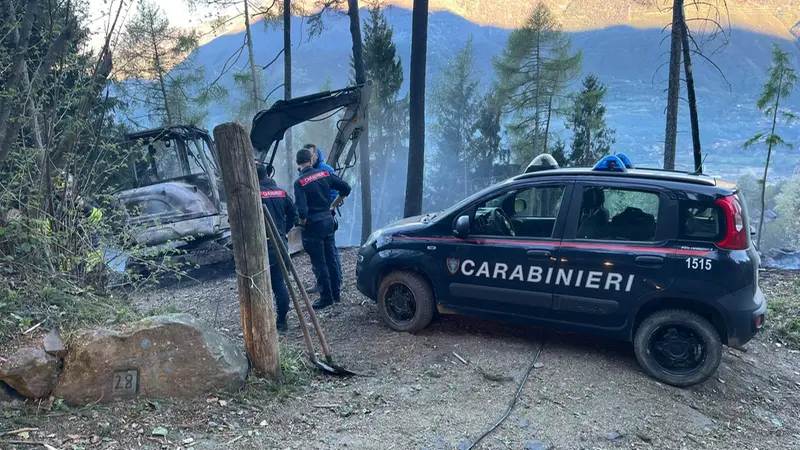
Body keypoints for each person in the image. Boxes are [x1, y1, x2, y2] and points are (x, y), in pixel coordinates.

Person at [293, 148, 351, 310]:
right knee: (331, 258)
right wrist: (333, 205)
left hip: (313, 226)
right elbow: (346, 188)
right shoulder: (324, 174)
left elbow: (302, 211)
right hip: (328, 221)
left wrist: (302, 223)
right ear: (311, 160)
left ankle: (326, 298)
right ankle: (336, 293)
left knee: (320, 263)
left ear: (298, 163)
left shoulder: (300, 183)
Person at [257, 163, 298, 332]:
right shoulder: (281, 192)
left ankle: (261, 323)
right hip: (280, 244)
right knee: (279, 284)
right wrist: (284, 230)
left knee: (258, 285)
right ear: (267, 174)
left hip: (261, 246)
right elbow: (293, 213)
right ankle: (282, 322)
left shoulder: (255, 194)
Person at [300, 143, 343, 293]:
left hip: (325, 215)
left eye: (312, 155)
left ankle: (337, 281)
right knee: (319, 253)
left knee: (330, 251)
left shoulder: (325, 170)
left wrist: (331, 205)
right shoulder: (306, 174)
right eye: (308, 156)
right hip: (316, 216)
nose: (310, 158)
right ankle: (322, 283)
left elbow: (336, 190)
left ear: (316, 155)